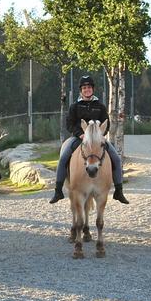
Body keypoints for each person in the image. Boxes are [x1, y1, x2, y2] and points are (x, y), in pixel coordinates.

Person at [48, 75, 129, 205]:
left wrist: (102, 134)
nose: (87, 90)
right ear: (81, 90)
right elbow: (69, 123)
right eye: (84, 88)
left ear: (93, 89)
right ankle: (58, 191)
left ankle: (119, 191)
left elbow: (106, 123)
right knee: (63, 157)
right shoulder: (75, 106)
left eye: (89, 87)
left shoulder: (100, 106)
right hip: (78, 138)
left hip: (96, 140)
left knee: (116, 158)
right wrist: (80, 134)